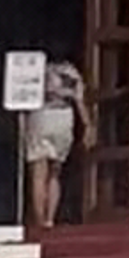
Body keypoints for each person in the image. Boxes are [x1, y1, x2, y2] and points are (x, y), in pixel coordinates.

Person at [20, 52, 88, 241]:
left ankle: (39, 220)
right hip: (64, 117)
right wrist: (88, 125)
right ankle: (50, 219)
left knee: (38, 172)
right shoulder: (71, 72)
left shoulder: (35, 69)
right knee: (55, 173)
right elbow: (79, 100)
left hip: (41, 115)